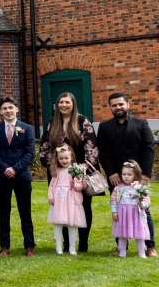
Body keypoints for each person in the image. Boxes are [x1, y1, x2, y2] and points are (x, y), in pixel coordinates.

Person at [96, 92, 156, 257]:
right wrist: (111, 172)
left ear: (128, 105)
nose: (118, 107)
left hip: (137, 176)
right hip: (117, 177)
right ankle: (121, 247)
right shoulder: (104, 127)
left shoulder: (141, 124)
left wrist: (145, 173)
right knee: (119, 209)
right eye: (114, 105)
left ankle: (149, 246)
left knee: (144, 210)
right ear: (110, 108)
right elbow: (102, 152)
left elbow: (149, 147)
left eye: (121, 104)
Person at [40, 92, 99, 254]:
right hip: (58, 173)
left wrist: (84, 167)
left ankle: (83, 243)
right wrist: (51, 166)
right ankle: (66, 244)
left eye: (67, 102)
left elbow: (92, 146)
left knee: (83, 207)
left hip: (80, 172)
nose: (64, 105)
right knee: (62, 208)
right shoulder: (52, 123)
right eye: (61, 102)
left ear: (73, 104)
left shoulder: (82, 121)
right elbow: (44, 147)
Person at [0, 96, 36, 257]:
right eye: (4, 108)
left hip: (21, 176)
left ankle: (29, 246)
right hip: (2, 177)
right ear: (1, 112)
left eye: (10, 108)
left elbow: (30, 153)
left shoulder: (27, 128)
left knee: (25, 212)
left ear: (16, 109)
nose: (8, 111)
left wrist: (15, 169)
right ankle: (4, 246)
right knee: (3, 213)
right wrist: (4, 168)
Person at [47, 146, 87, 255]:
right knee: (58, 223)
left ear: (71, 157)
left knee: (72, 224)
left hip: (72, 200)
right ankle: (58, 247)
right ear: (57, 159)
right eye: (61, 158)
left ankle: (72, 248)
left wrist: (75, 184)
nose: (64, 161)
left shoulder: (75, 170)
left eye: (66, 158)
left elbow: (81, 186)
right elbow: (51, 185)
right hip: (59, 200)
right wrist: (51, 197)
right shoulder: (57, 171)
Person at [111, 160, 151, 258]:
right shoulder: (118, 188)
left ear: (135, 175)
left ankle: (142, 253)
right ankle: (122, 252)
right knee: (122, 234)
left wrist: (142, 204)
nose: (126, 176)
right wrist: (114, 211)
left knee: (140, 234)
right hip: (123, 215)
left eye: (129, 174)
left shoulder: (139, 188)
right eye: (124, 174)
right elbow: (113, 200)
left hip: (136, 214)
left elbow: (147, 199)